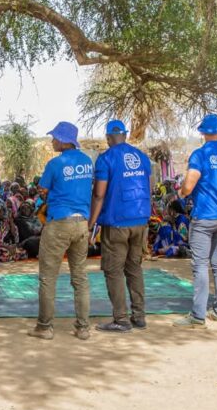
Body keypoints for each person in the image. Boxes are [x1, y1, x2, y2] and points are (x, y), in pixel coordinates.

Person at [173, 114, 217, 328]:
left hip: (204, 216)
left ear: (202, 132)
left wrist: (181, 194)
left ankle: (198, 315)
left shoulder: (200, 155)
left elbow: (188, 185)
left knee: (200, 265)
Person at [26, 122, 93, 341]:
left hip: (59, 223)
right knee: (80, 278)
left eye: (55, 138)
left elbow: (43, 188)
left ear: (64, 141)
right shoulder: (87, 162)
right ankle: (83, 328)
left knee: (48, 278)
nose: (52, 141)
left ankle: (44, 327)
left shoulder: (55, 164)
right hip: (81, 223)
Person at [89, 120, 152, 332]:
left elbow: (99, 194)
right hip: (140, 220)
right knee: (134, 268)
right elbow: (149, 186)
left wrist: (91, 223)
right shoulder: (142, 157)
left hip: (116, 221)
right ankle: (139, 316)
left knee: (113, 270)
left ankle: (121, 319)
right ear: (125, 135)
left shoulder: (105, 159)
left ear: (108, 138)